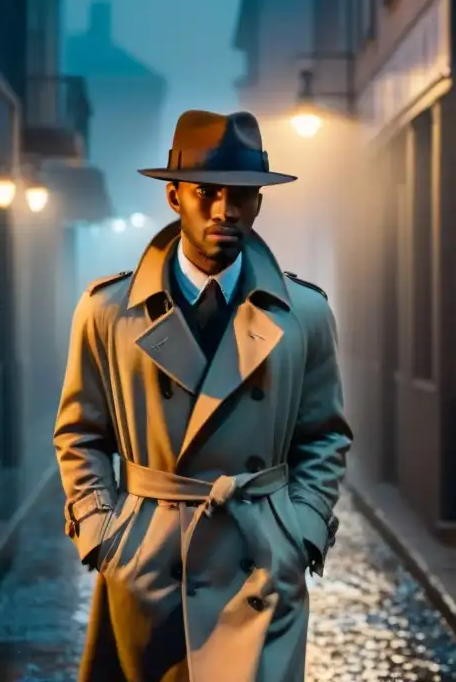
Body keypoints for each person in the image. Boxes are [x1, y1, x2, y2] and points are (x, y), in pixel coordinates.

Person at [54, 109, 352, 682]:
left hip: (260, 564)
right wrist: (105, 536)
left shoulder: (305, 314)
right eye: (205, 192)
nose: (225, 209)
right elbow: (81, 433)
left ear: (260, 202)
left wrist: (302, 532)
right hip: (150, 564)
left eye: (242, 194)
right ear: (174, 197)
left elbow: (324, 436)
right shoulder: (109, 312)